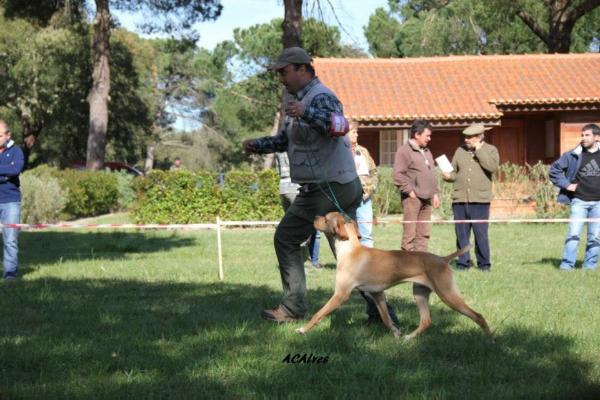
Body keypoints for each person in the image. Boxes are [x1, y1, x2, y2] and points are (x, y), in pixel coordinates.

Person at [243, 47, 363, 322]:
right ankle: (381, 313)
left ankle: (293, 309)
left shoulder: (321, 97)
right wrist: (257, 145)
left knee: (286, 238)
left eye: (284, 72)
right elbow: (285, 142)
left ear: (301, 69)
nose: (281, 79)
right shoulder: (298, 101)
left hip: (329, 187)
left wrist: (306, 112)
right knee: (350, 254)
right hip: (332, 186)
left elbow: (339, 126)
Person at [393, 120, 440, 317]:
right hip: (413, 199)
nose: (429, 138)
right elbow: (398, 175)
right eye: (427, 135)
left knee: (424, 234)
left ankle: (420, 266)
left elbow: (431, 173)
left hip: (427, 199)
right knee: (410, 234)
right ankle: (405, 267)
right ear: (417, 135)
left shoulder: (427, 151)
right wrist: (409, 191)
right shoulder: (404, 151)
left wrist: (435, 192)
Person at [442, 123, 500, 271]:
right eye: (465, 137)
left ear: (479, 137)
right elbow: (454, 173)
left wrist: (479, 151)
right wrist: (448, 176)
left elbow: (492, 167)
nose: (466, 140)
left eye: (470, 137)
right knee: (461, 234)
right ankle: (463, 263)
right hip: (460, 200)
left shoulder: (490, 150)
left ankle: (484, 265)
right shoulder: (459, 151)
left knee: (481, 234)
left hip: (480, 201)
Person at [549, 123, 600, 271]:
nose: (583, 138)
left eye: (587, 135)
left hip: (598, 203)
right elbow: (554, 170)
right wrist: (567, 185)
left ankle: (589, 267)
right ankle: (566, 266)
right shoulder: (573, 155)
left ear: (596, 137)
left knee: (595, 237)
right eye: (582, 135)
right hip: (579, 201)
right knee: (573, 234)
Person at [0, 120, 25, 281]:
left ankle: (10, 274)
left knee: (10, 239)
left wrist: (10, 174)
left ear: (8, 135)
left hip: (10, 201)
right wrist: (5, 176)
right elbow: (9, 173)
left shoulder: (17, 152)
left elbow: (15, 170)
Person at [348, 120, 377, 247]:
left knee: (366, 233)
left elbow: (373, 172)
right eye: (353, 132)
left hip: (365, 198)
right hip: (348, 198)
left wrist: (371, 187)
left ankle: (368, 262)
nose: (356, 135)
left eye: (357, 132)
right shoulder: (340, 152)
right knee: (350, 232)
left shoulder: (364, 151)